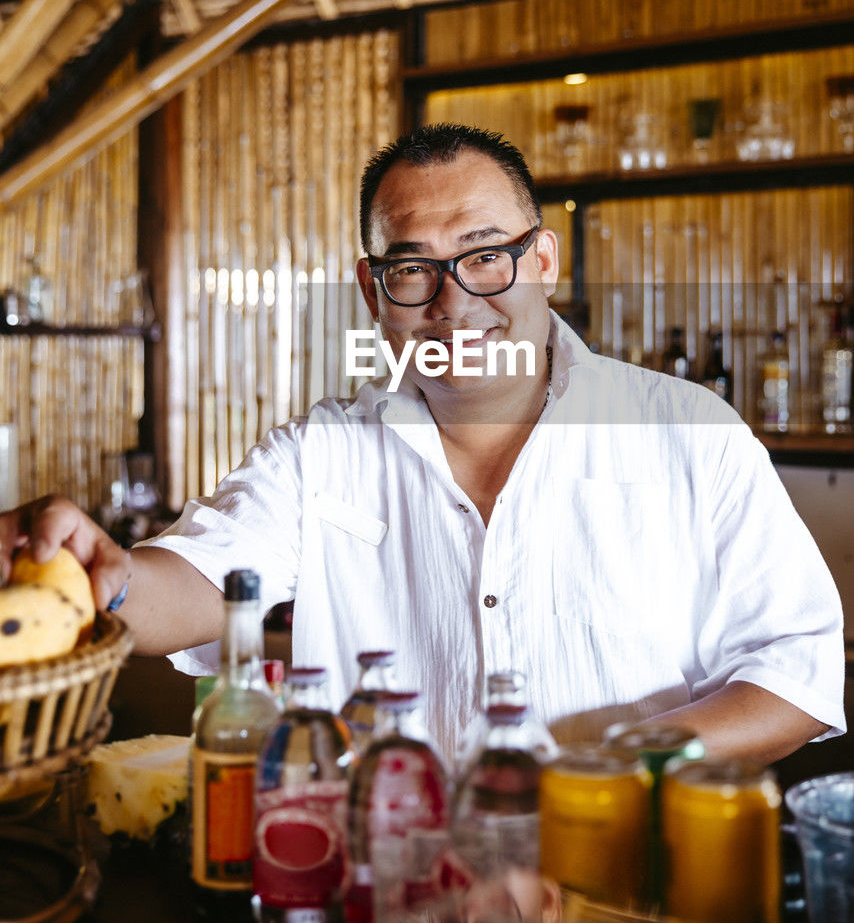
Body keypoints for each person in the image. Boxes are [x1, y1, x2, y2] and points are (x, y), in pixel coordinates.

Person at [0, 124, 844, 764]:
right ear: (374, 290)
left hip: (633, 895)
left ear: (544, 259)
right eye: (413, 270)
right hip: (386, 899)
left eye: (486, 258)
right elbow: (193, 584)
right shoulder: (319, 454)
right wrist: (96, 574)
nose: (455, 301)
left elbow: (795, 677)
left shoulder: (688, 432)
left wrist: (598, 780)